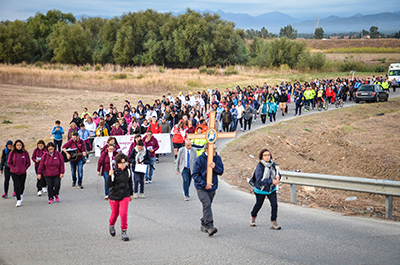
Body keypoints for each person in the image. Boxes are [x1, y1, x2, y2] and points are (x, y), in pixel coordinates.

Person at [192, 144, 224, 236]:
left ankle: (203, 223)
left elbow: (221, 171)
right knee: (207, 204)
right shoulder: (199, 159)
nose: (215, 151)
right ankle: (210, 226)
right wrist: (204, 184)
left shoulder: (217, 158)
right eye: (213, 149)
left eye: (215, 148)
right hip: (201, 187)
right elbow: (195, 174)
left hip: (212, 187)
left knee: (207, 206)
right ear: (206, 150)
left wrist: (215, 166)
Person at [250, 149, 281, 230]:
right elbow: (259, 180)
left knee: (274, 205)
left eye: (268, 155)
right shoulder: (259, 166)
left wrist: (278, 177)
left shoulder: (273, 164)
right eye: (265, 155)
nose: (267, 157)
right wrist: (272, 181)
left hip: (271, 189)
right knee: (259, 204)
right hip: (261, 189)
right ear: (262, 156)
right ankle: (253, 216)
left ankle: (273, 222)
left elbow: (277, 173)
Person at [107, 153, 133, 241]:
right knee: (115, 213)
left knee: (123, 213)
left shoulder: (128, 171)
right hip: (114, 195)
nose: (123, 164)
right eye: (121, 163)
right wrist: (110, 176)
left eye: (124, 162)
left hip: (125, 194)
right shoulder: (114, 171)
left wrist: (131, 194)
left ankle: (124, 231)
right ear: (117, 163)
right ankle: (111, 225)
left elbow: (130, 182)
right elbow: (109, 185)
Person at [7, 140, 31, 207]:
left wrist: (24, 168)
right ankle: (18, 199)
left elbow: (28, 162)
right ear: (15, 146)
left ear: (22, 146)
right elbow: (9, 162)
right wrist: (14, 169)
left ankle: (21, 194)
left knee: (22, 185)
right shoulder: (12, 153)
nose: (19, 146)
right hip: (14, 172)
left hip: (23, 172)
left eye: (20, 145)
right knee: (17, 185)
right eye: (17, 145)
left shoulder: (25, 152)